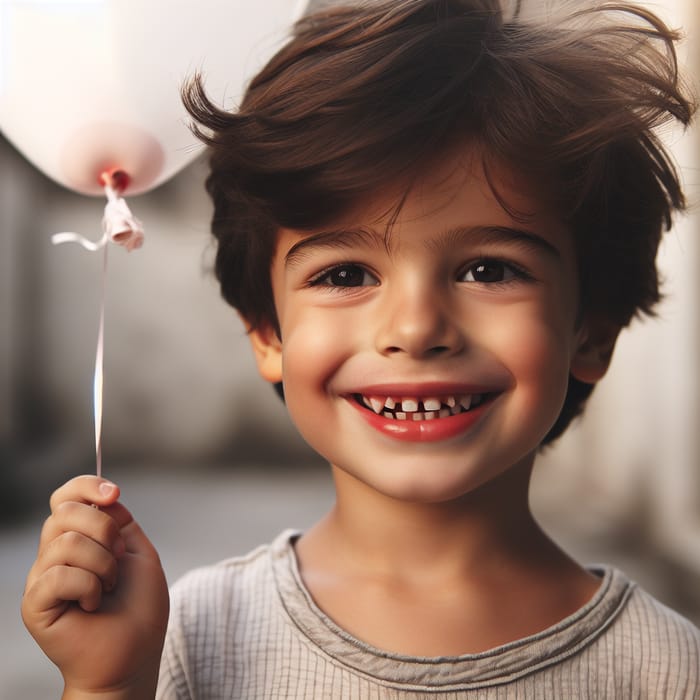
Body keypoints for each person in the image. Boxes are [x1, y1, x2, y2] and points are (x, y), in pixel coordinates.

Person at [22, 0, 700, 697]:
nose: (414, 328)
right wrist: (105, 686)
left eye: (489, 270)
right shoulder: (184, 637)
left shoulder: (667, 672)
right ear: (267, 332)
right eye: (345, 275)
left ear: (592, 328)